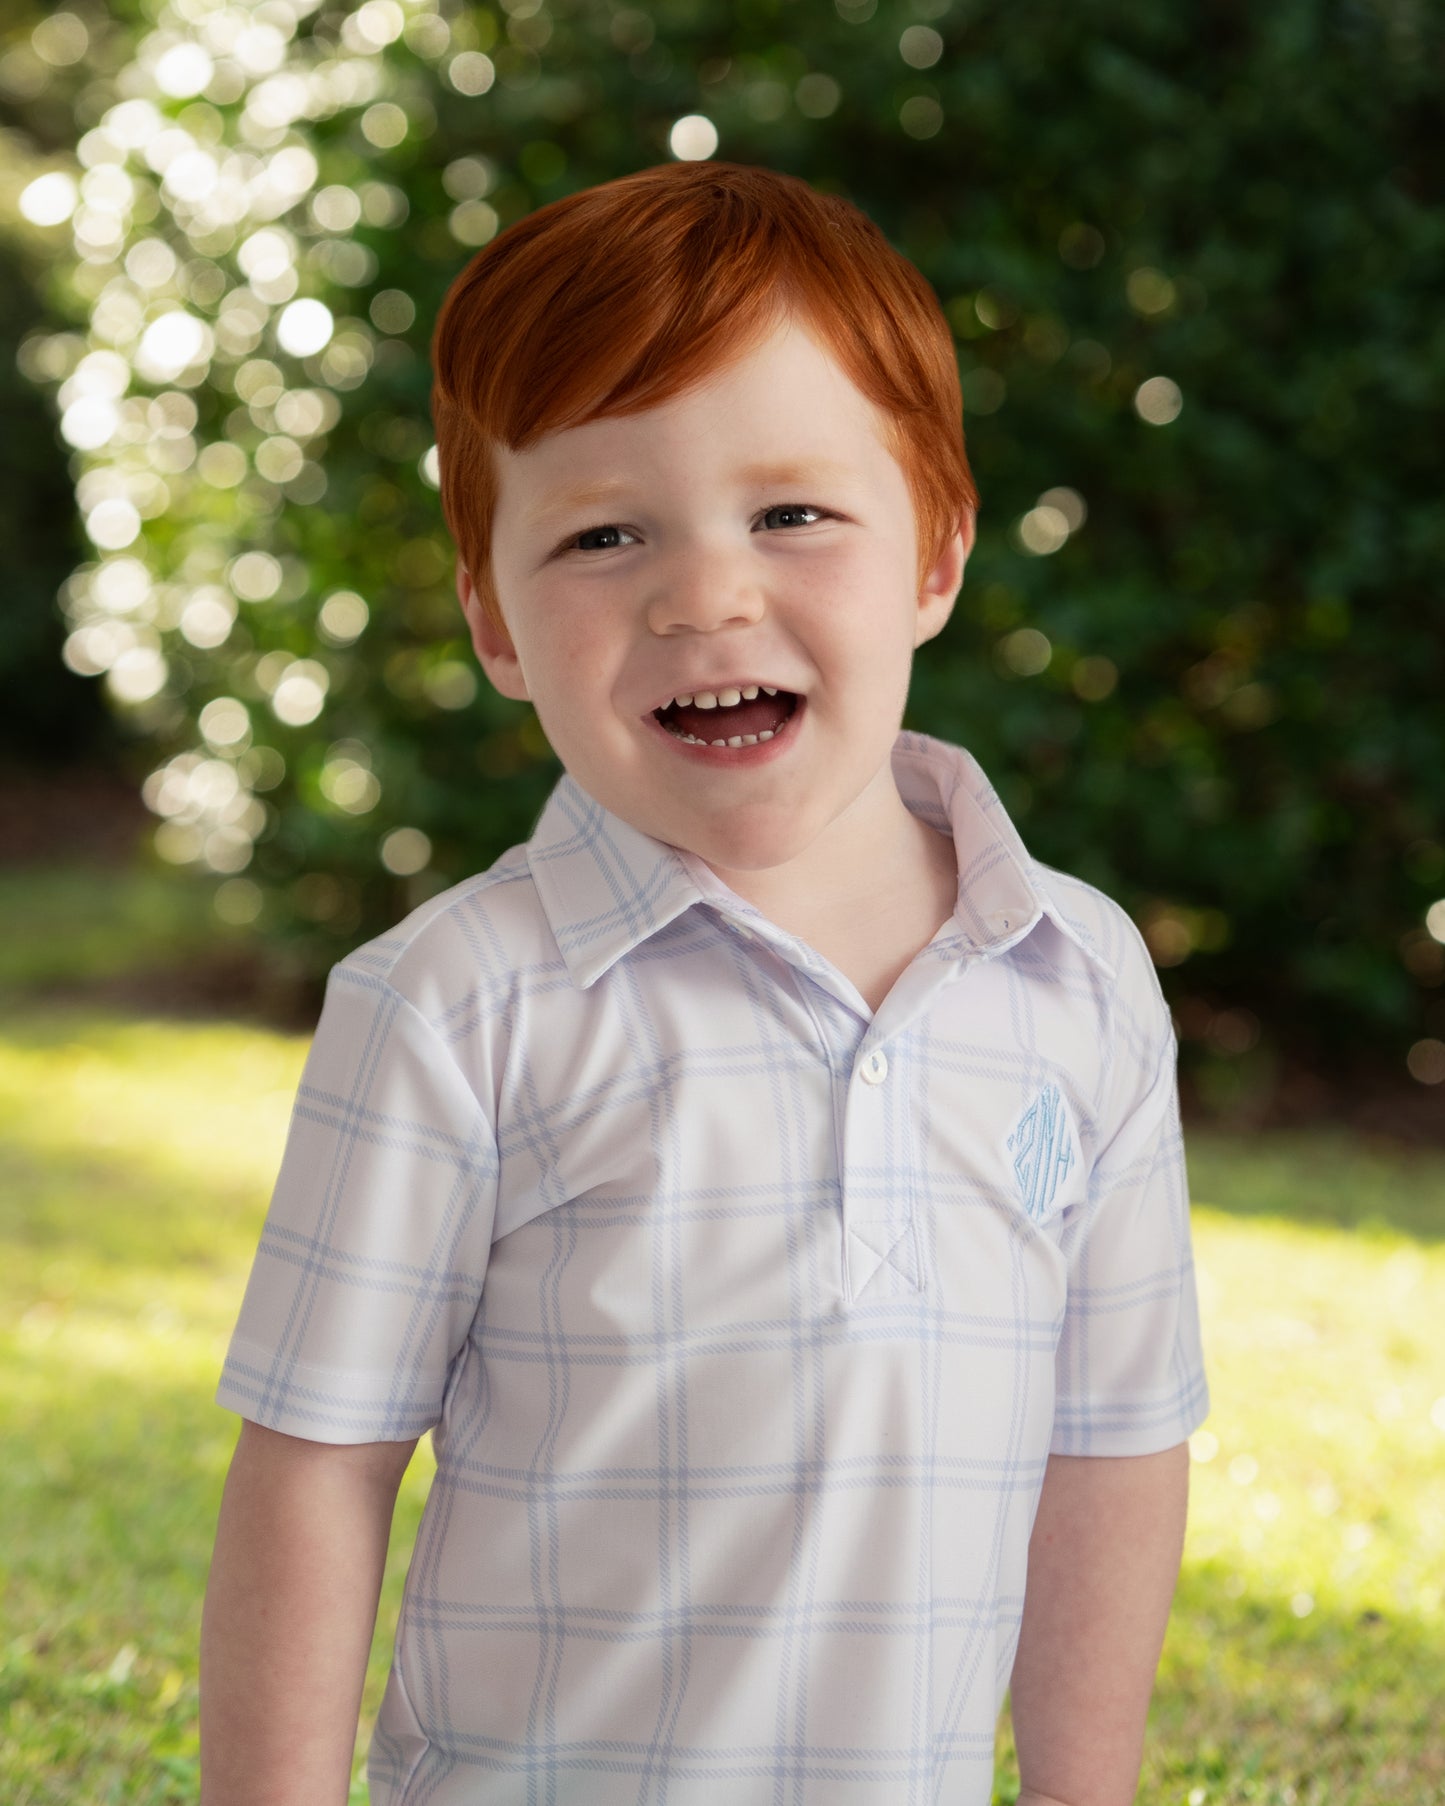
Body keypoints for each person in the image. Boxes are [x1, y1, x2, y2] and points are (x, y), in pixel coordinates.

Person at [200, 161, 1208, 1806]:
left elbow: (1112, 1436)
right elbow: (318, 1467)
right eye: (602, 534)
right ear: (496, 623)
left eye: (792, 514)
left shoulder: (1073, 976)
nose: (703, 594)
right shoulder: (452, 1004)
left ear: (937, 554)